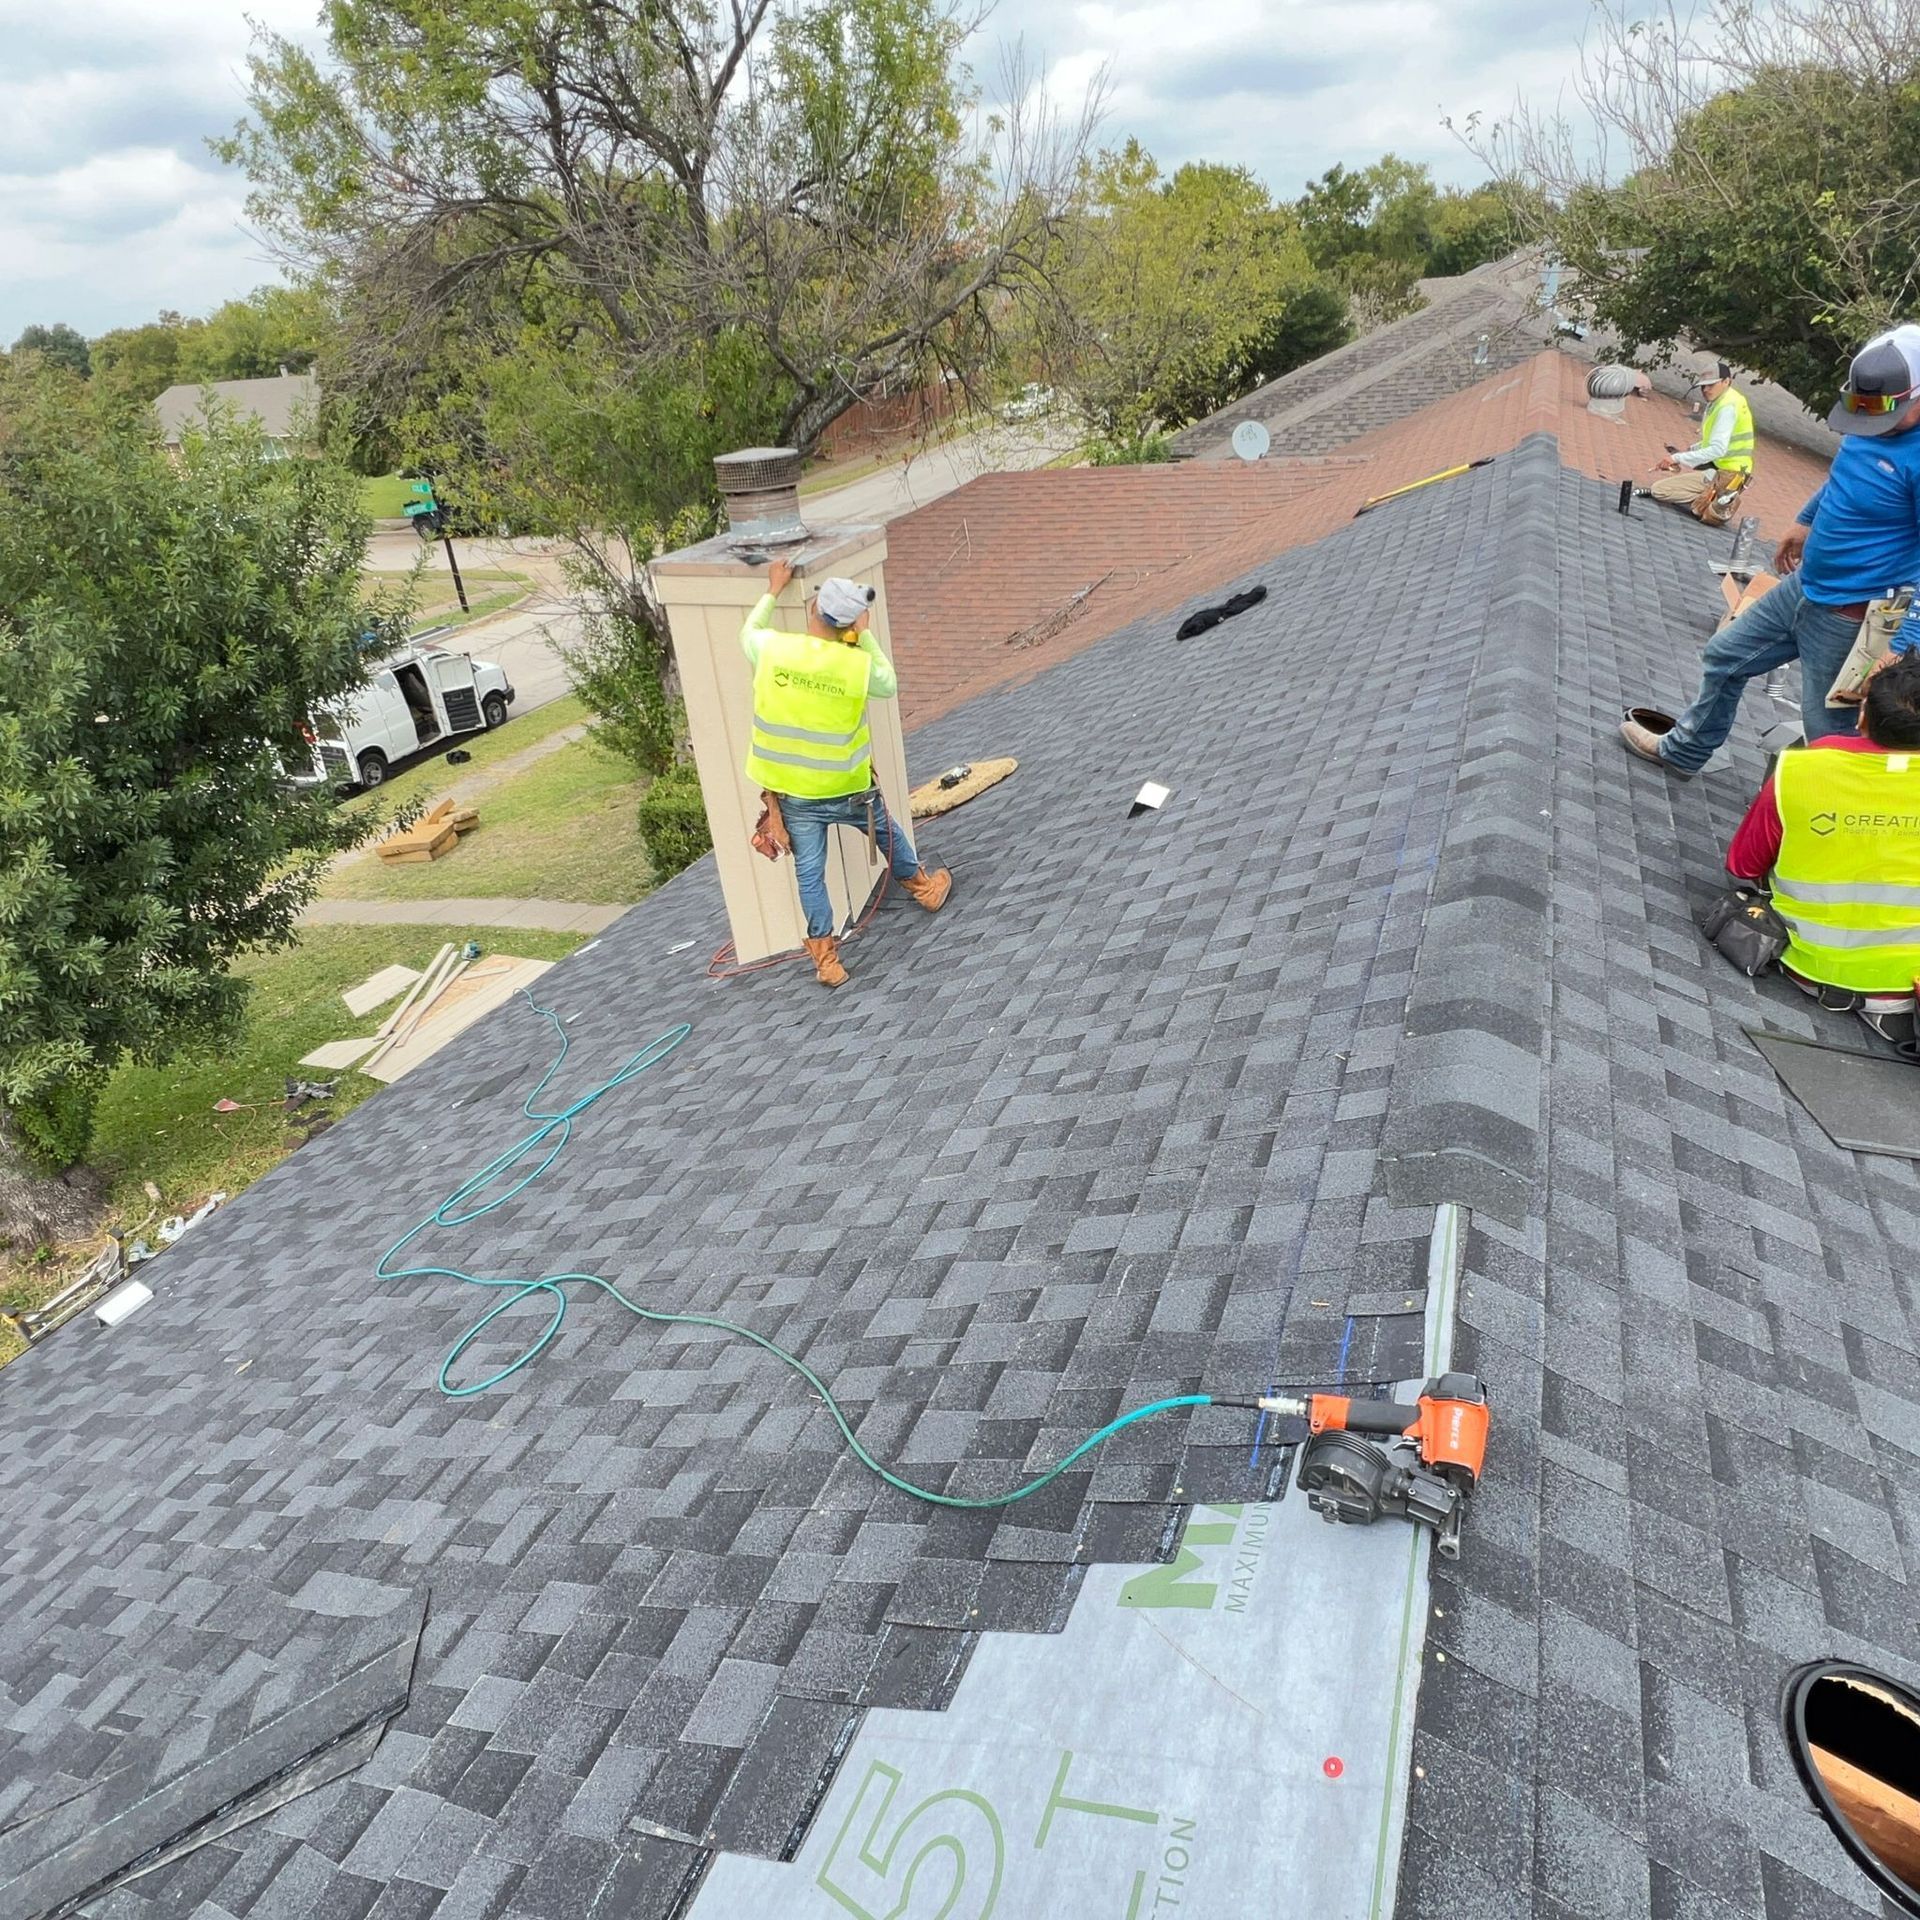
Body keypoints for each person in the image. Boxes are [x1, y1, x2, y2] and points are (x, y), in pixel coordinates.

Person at [1622, 325, 1920, 775]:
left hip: (1855, 617)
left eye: (1885, 415)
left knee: (1830, 728)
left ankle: (1826, 831)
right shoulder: (1872, 423)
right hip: (1805, 587)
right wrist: (1803, 523)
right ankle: (1685, 749)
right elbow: (1842, 479)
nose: (1871, 426)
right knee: (1725, 656)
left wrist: (1900, 645)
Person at [740, 557, 951, 987]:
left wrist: (774, 588)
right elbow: (888, 683)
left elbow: (748, 633)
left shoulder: (774, 649)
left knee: (810, 874)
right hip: (849, 788)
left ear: (812, 611)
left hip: (796, 796)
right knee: (888, 833)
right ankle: (924, 889)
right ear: (848, 625)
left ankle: (827, 960)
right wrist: (866, 634)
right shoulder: (855, 664)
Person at [1725, 651, 1920, 1043]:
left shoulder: (1802, 768)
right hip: (1905, 987)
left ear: (1863, 713)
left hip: (1803, 961)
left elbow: (1742, 866)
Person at [1647, 358, 1755, 512]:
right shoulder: (1728, 399)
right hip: (1729, 472)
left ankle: (1713, 503)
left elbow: (1717, 449)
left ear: (1726, 381)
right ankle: (1716, 499)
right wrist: (1688, 451)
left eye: (1711, 385)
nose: (1705, 390)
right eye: (1703, 386)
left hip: (1726, 475)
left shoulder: (1726, 407)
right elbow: (1714, 443)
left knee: (1659, 490)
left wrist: (1676, 458)